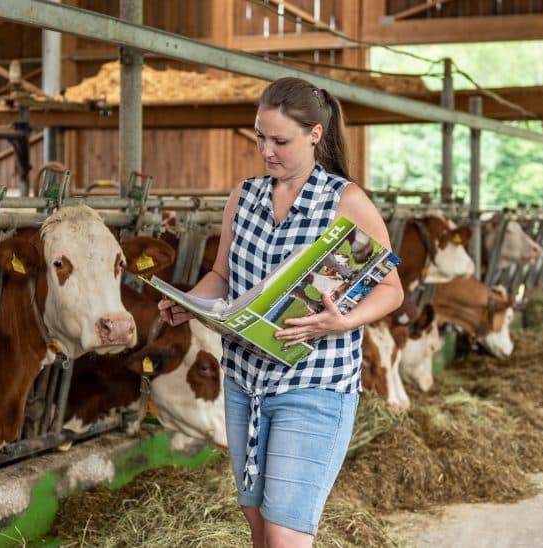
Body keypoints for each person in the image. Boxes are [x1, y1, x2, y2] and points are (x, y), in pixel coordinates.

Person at [158, 77, 404, 547]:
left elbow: (391, 289)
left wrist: (344, 320)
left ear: (315, 135)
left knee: (285, 532)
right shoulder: (244, 197)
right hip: (245, 383)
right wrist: (191, 302)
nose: (266, 151)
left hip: (314, 386)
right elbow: (222, 276)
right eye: (259, 137)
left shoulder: (345, 202)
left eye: (280, 141)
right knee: (257, 526)